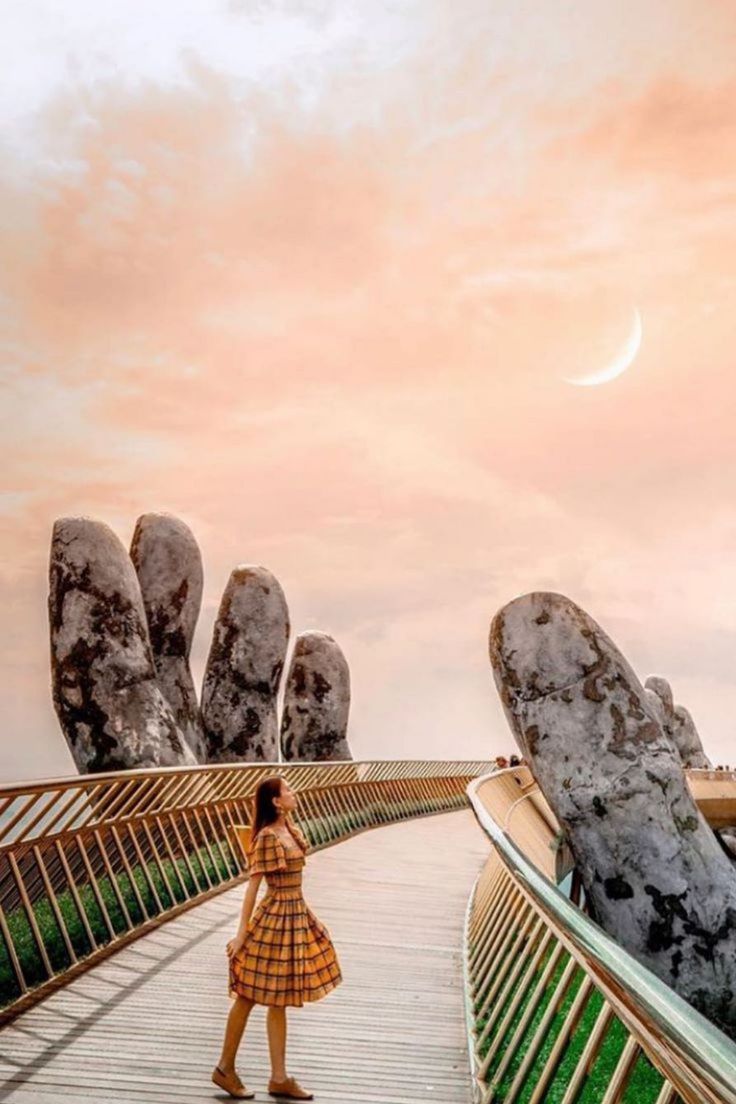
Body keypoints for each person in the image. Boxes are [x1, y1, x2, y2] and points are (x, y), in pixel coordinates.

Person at [212, 775, 342, 1099]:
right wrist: (241, 934)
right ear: (275, 801)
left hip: (293, 913)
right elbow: (253, 886)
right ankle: (226, 1069)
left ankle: (278, 1077)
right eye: (287, 790)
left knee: (276, 999)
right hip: (274, 918)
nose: (293, 792)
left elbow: (292, 879)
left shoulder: (289, 830)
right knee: (249, 994)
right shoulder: (269, 837)